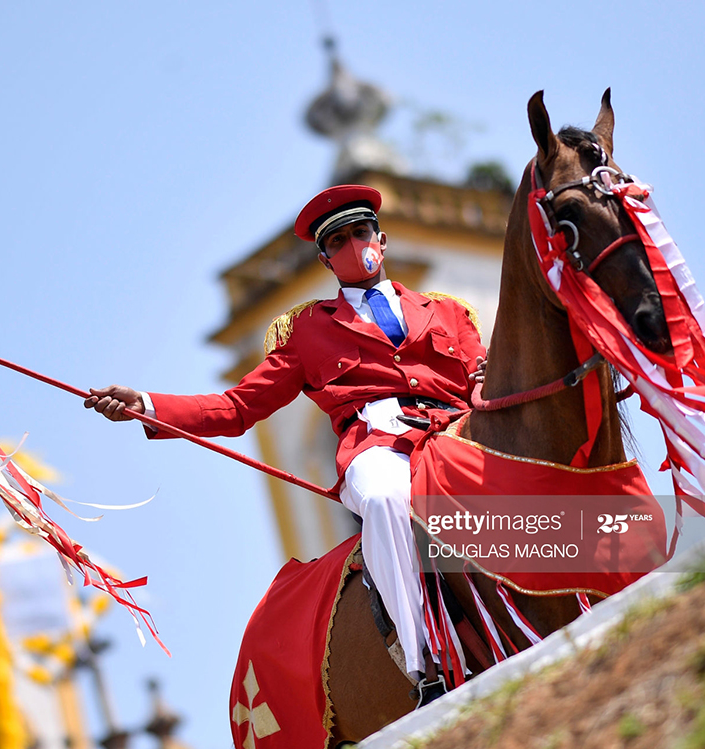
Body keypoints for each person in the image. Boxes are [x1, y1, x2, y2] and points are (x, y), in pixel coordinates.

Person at [87, 185, 486, 704]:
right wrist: (146, 404)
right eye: (337, 241)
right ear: (325, 259)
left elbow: (482, 379)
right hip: (379, 440)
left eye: (359, 232)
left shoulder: (448, 312)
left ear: (380, 240)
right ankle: (425, 665)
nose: (351, 245)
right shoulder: (305, 332)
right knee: (385, 499)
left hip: (454, 424)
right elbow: (235, 408)